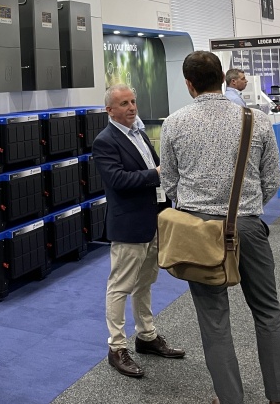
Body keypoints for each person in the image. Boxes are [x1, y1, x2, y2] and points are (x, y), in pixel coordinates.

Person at [160, 51, 280, 404]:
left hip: (198, 232)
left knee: (214, 321)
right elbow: (272, 179)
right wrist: (246, 210)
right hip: (248, 227)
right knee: (267, 311)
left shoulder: (174, 123)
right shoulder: (255, 120)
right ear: (222, 78)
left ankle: (230, 399)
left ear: (189, 84)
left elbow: (169, 183)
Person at [93, 84, 184, 378]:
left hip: (153, 220)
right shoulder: (105, 141)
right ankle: (116, 347)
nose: (132, 107)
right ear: (110, 110)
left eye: (133, 101)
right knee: (120, 287)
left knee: (145, 283)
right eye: (124, 103)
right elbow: (118, 180)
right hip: (129, 225)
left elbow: (156, 168)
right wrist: (156, 174)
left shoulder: (140, 134)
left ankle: (146, 336)